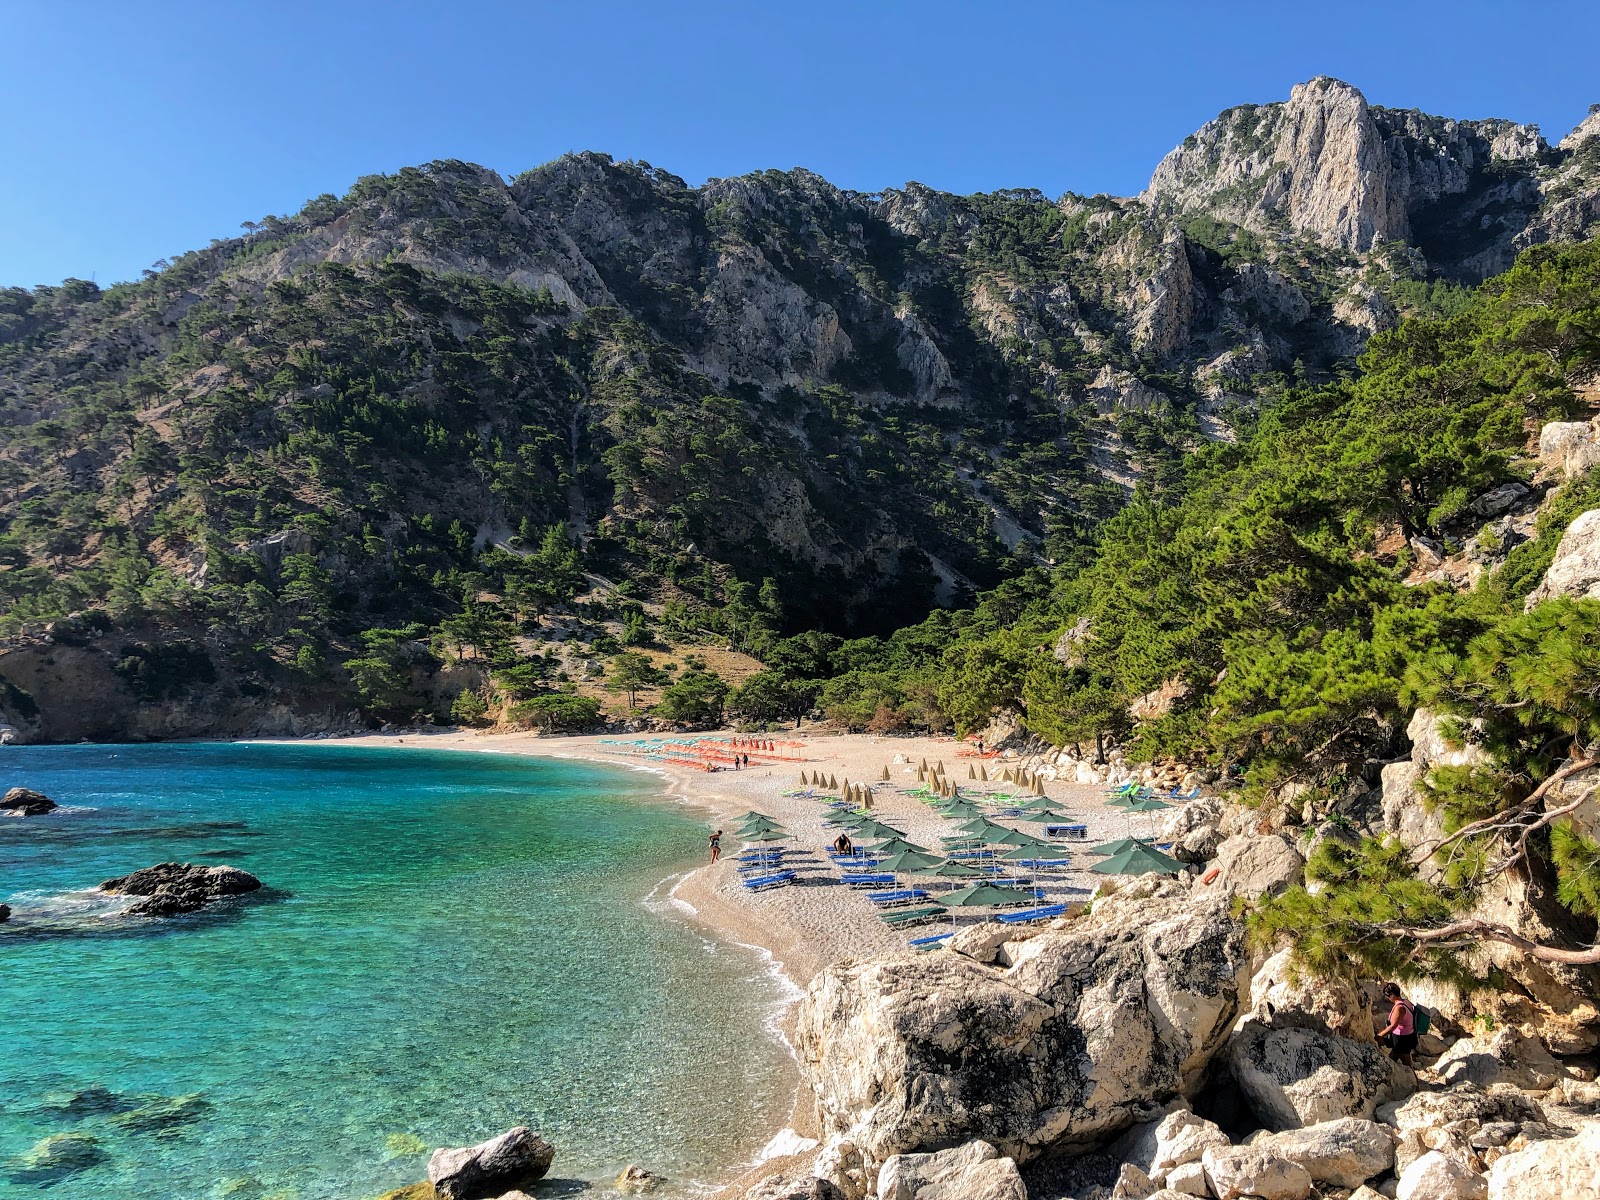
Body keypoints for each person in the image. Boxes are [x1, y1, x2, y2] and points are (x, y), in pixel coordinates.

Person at [1377, 982, 1417, 1065]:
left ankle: (1412, 1077)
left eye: (1388, 996)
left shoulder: (1399, 1008)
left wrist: (1379, 1035)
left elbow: (1393, 1026)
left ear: (1392, 995)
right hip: (1407, 1036)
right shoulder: (1406, 1001)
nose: (1388, 999)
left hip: (1401, 1039)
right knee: (1399, 1059)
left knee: (1401, 1061)